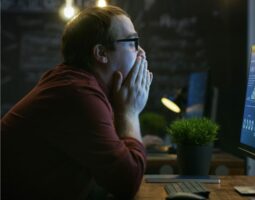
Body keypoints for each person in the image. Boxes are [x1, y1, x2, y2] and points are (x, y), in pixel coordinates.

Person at [1, 6, 152, 200]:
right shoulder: (77, 93)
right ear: (101, 53)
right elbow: (128, 182)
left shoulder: (75, 83)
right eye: (132, 42)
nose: (141, 53)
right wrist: (130, 113)